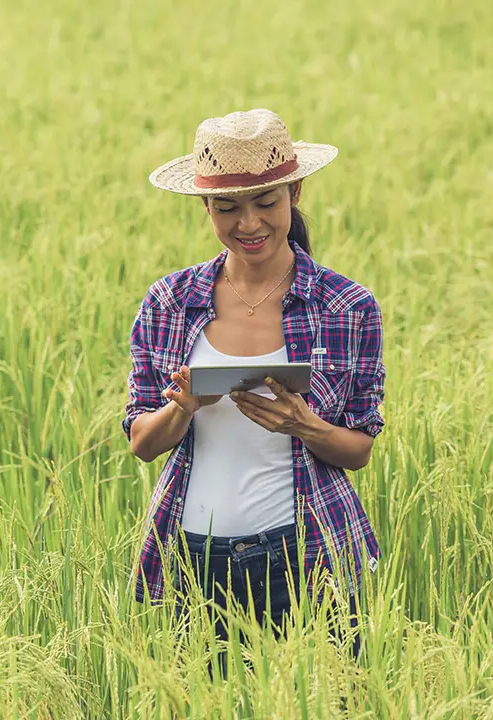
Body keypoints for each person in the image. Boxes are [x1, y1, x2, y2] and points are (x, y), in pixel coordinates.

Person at [121, 108, 385, 670]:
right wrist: (183, 409)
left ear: (295, 191)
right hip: (191, 559)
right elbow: (142, 442)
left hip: (308, 555)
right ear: (205, 206)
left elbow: (359, 448)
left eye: (266, 202)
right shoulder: (170, 302)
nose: (249, 224)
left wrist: (302, 423)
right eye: (228, 207)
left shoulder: (346, 307)